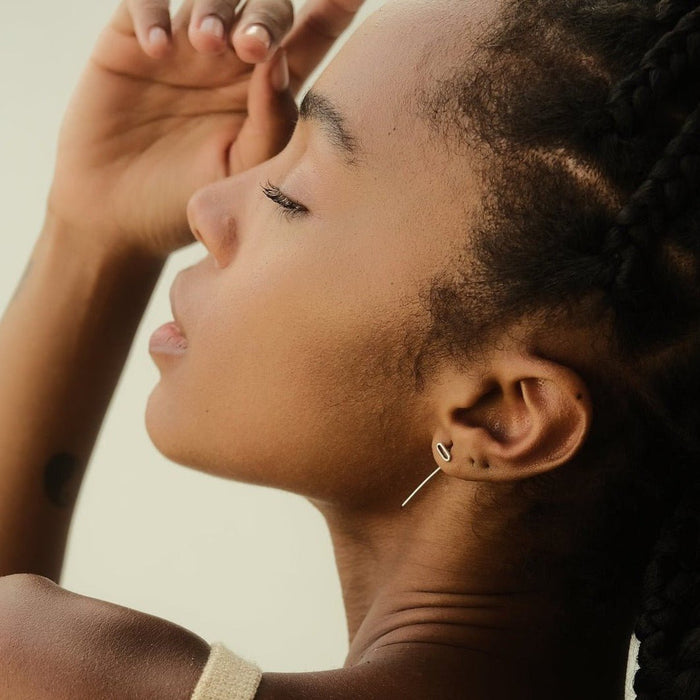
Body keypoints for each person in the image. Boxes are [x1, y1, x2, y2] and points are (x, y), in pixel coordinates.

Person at [1, 0, 699, 696]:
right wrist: (100, 231)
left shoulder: (55, 670)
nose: (205, 207)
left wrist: (83, 247)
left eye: (286, 196)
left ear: (501, 414)